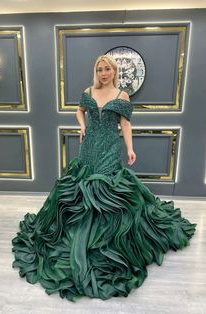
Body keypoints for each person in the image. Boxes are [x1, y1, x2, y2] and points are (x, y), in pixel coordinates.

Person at [12, 55, 196, 302]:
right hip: (89, 147)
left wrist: (130, 148)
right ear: (96, 71)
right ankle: (80, 236)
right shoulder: (87, 91)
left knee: (106, 190)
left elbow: (126, 124)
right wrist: (82, 126)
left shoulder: (122, 96)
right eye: (99, 69)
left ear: (114, 70)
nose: (103, 72)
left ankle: (106, 242)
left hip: (110, 147)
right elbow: (79, 111)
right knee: (80, 188)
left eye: (107, 68)